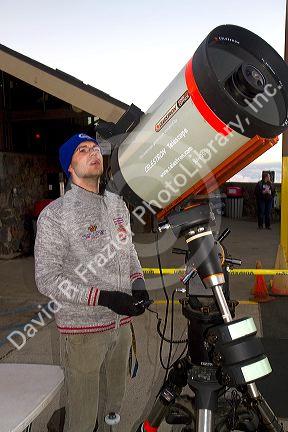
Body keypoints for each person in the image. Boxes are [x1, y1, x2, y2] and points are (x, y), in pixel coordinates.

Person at [34, 133, 150, 432]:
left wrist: (138, 282)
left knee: (114, 403)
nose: (92, 152)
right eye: (82, 150)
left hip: (121, 326)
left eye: (95, 148)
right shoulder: (55, 216)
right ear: (69, 167)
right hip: (83, 331)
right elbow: (47, 279)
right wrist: (103, 297)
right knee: (83, 416)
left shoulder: (118, 205)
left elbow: (129, 250)